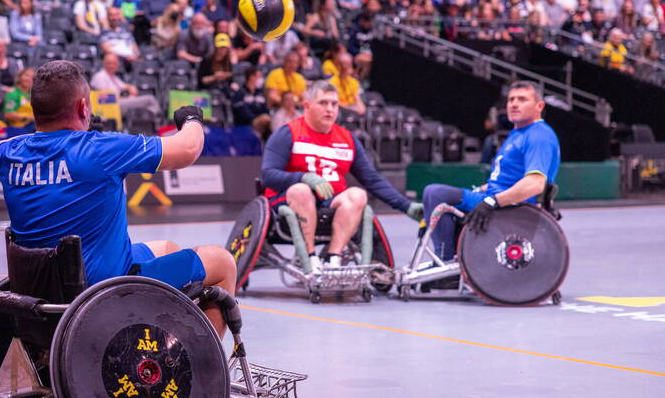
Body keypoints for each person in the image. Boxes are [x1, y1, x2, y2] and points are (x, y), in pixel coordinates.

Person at [0, 60, 236, 335]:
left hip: (43, 291)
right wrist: (192, 120)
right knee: (222, 262)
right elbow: (188, 149)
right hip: (104, 291)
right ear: (83, 107)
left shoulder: (4, 156)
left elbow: (18, 151)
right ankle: (203, 371)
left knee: (167, 247)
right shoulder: (100, 150)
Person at [261, 81, 422, 274]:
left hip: (330, 204)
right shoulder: (288, 133)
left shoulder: (347, 138)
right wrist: (304, 177)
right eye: (323, 103)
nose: (329, 109)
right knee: (301, 190)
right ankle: (310, 258)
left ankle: (333, 258)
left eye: (334, 104)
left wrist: (406, 206)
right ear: (307, 106)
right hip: (287, 203)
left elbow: (372, 180)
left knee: (357, 195)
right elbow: (267, 175)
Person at [420, 81, 560, 277]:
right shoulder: (518, 133)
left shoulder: (539, 136)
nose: (513, 104)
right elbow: (504, 180)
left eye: (522, 99)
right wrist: (481, 192)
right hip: (496, 197)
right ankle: (448, 258)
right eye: (511, 99)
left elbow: (535, 184)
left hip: (513, 208)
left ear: (539, 106)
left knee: (436, 193)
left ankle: (445, 266)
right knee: (434, 197)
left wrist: (491, 201)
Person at [90, 52, 159, 122]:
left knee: (147, 102)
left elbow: (124, 86)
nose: (111, 66)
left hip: (118, 105)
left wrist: (131, 87)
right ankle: (153, 119)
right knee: (150, 99)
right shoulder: (100, 76)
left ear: (117, 65)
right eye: (109, 63)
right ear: (103, 63)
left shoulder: (112, 77)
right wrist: (127, 98)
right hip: (110, 107)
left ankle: (147, 120)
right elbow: (105, 99)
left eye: (114, 63)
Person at [230, 65, 270, 140]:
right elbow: (241, 112)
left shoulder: (260, 94)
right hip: (247, 124)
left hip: (262, 122)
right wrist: (254, 119)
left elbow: (266, 109)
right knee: (266, 119)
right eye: (259, 77)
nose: (261, 80)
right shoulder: (240, 93)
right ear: (252, 77)